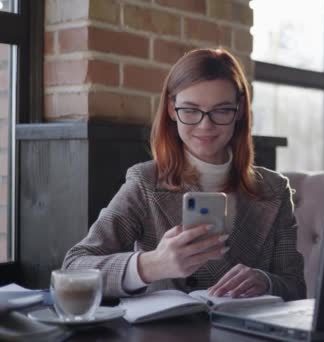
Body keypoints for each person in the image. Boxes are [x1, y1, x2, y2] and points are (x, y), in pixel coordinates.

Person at [62, 48, 306, 301]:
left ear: (240, 109)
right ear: (171, 108)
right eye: (190, 110)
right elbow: (73, 268)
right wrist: (151, 265)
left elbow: (296, 287)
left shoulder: (274, 190)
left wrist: (266, 282)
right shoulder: (146, 182)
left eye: (222, 110)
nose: (205, 125)